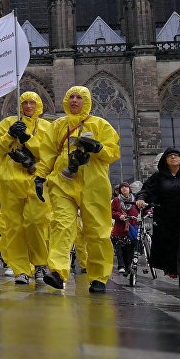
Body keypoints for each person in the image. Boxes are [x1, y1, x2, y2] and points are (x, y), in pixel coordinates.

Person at [37, 86, 121, 293]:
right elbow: (47, 154)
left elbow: (113, 152)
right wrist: (39, 177)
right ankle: (57, 272)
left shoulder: (101, 124)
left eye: (79, 98)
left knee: (97, 230)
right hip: (63, 181)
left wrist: (99, 148)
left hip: (94, 184)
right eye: (71, 97)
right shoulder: (57, 125)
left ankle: (99, 277)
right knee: (62, 225)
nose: (75, 101)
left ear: (87, 101)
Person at [0, 91, 53, 285]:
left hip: (35, 180)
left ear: (38, 105)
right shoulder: (8, 123)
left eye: (32, 102)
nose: (29, 106)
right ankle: (20, 269)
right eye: (25, 103)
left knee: (36, 223)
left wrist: (26, 138)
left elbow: (47, 153)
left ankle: (40, 263)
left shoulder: (46, 127)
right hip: (10, 181)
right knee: (13, 227)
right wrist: (9, 136)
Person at [135, 148, 180, 292]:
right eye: (169, 155)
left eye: (176, 155)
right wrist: (141, 199)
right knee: (173, 247)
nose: (173, 157)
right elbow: (145, 191)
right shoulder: (158, 177)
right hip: (167, 219)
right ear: (165, 160)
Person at [111, 182, 139, 283]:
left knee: (130, 248)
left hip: (131, 227)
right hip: (120, 228)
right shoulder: (116, 200)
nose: (124, 189)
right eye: (122, 187)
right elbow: (112, 212)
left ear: (129, 189)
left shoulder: (135, 199)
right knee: (121, 248)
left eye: (126, 187)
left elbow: (139, 209)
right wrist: (119, 215)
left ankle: (129, 267)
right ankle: (124, 266)